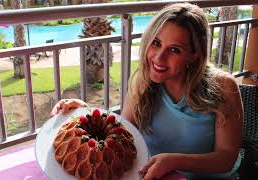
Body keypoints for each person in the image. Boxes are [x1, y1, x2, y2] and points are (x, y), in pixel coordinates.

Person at [50, 3, 243, 180]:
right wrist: (86, 113)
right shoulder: (142, 82)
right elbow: (121, 133)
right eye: (156, 43)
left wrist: (174, 161)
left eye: (174, 50)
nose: (159, 58)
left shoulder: (224, 87)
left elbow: (226, 158)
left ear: (194, 55)